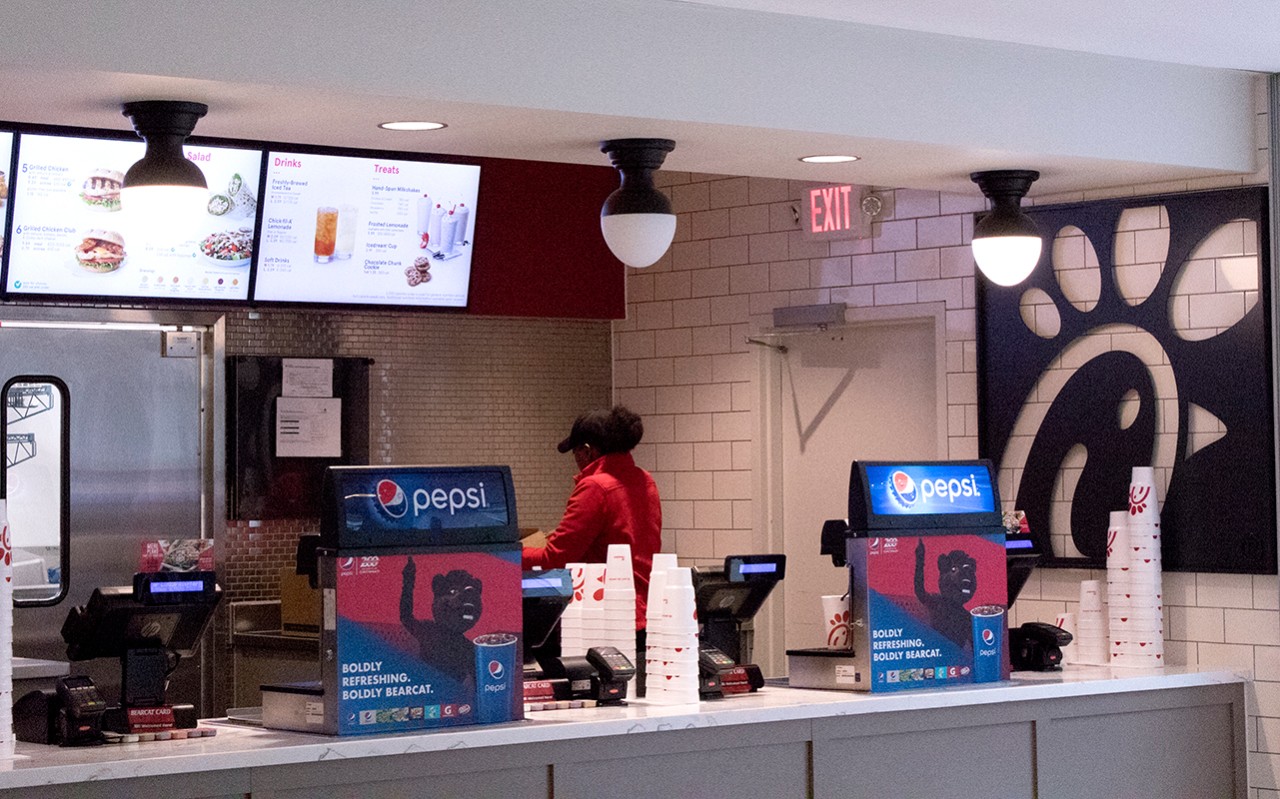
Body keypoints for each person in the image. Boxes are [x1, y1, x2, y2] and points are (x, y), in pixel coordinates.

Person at [522, 405, 663, 633]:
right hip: (644, 610)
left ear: (587, 451)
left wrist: (510, 553)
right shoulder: (645, 480)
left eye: (575, 452)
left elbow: (554, 558)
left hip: (602, 614)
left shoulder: (595, 487)